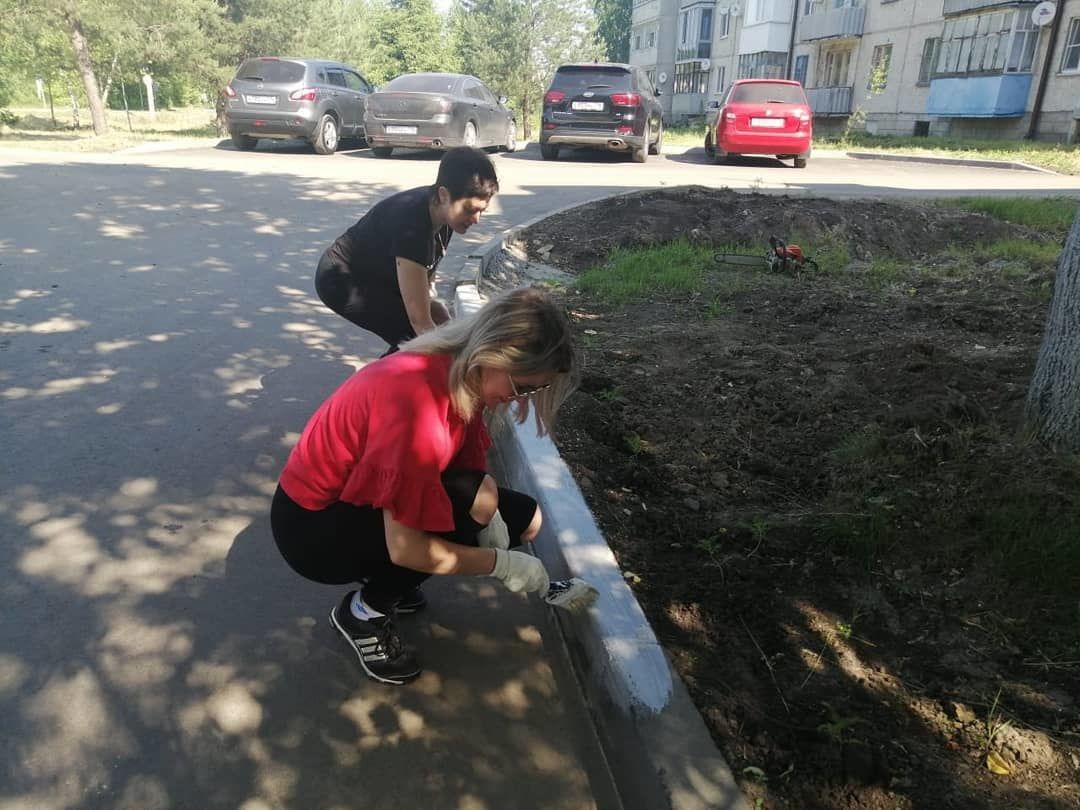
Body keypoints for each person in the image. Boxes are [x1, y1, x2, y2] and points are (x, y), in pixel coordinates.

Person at [270, 287, 578, 685]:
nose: (518, 400)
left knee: (520, 518)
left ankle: (389, 583)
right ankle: (364, 614)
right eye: (522, 387)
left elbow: (466, 472)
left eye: (533, 391)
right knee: (446, 533)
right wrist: (500, 564)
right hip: (311, 532)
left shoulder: (459, 371)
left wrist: (486, 518)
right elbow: (408, 547)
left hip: (352, 505)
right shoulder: (415, 405)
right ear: (492, 354)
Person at [314, 146, 499, 354]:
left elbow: (427, 272)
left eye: (481, 211)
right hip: (341, 278)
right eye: (470, 210)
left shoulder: (444, 214)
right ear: (444, 194)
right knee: (414, 340)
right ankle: (376, 385)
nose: (476, 219)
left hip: (378, 276)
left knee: (440, 323)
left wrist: (447, 326)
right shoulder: (413, 225)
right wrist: (454, 358)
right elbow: (420, 322)